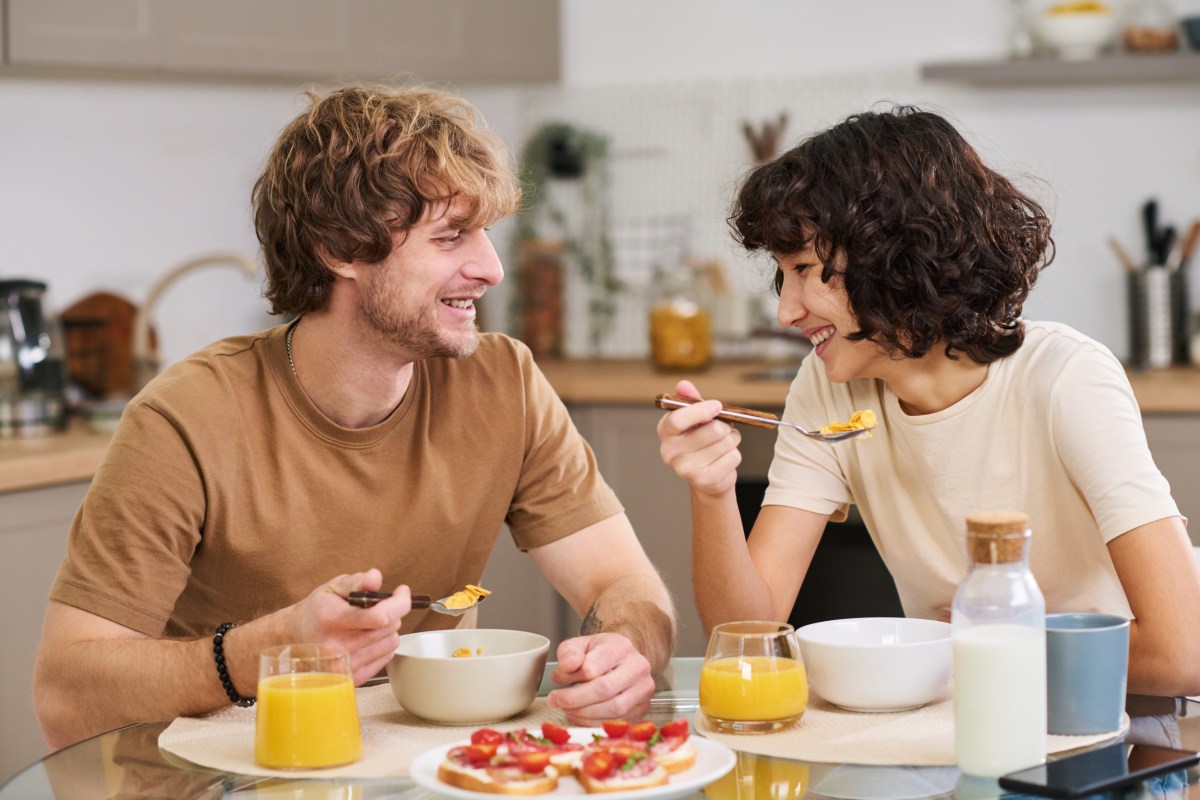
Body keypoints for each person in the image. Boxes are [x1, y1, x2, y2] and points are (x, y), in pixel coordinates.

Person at [34, 84, 675, 749]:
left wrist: (623, 648)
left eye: (485, 235)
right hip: (230, 779)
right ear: (341, 248)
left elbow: (623, 584)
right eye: (451, 236)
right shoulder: (184, 420)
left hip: (430, 776)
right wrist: (265, 655)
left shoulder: (503, 382)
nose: (491, 268)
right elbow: (63, 695)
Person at [657, 106, 1200, 698]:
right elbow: (747, 639)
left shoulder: (1065, 380)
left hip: (1115, 719)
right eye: (782, 276)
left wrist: (973, 642)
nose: (786, 311)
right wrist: (711, 492)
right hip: (962, 709)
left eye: (806, 270)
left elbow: (1182, 654)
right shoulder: (829, 389)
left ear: (893, 254)